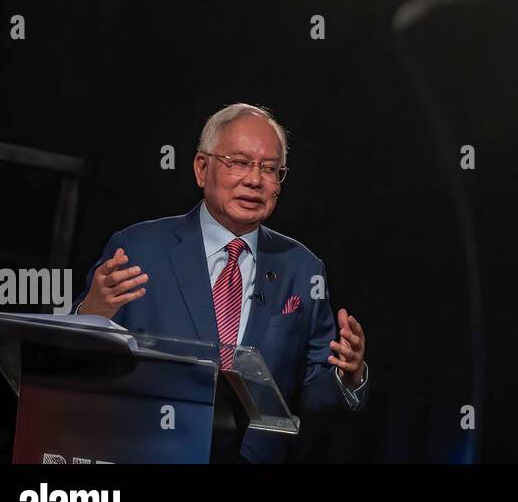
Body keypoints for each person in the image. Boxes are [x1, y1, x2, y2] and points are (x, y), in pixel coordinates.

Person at [75, 102, 369, 463]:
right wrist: (92, 313)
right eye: (239, 163)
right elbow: (78, 363)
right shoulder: (138, 249)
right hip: (144, 451)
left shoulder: (302, 269)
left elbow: (315, 396)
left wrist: (348, 375)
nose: (254, 180)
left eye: (270, 169)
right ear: (202, 168)